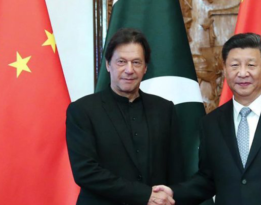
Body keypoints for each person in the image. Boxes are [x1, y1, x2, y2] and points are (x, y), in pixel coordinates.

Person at [154, 33, 261, 205]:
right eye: (235, 65)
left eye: (251, 65)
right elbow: (208, 180)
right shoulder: (211, 123)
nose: (243, 73)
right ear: (224, 69)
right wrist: (173, 193)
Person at [66, 28, 181, 205]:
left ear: (145, 67)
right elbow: (85, 172)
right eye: (121, 62)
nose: (129, 70)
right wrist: (144, 195)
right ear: (108, 65)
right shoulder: (82, 110)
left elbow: (175, 170)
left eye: (136, 62)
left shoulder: (164, 109)